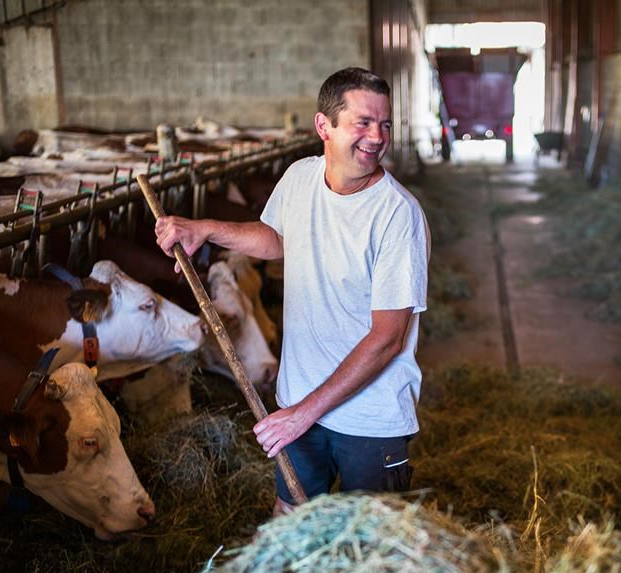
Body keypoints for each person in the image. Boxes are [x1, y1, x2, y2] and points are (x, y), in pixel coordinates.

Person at [155, 67, 429, 515]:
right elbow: (276, 238)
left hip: (369, 419)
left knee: (368, 547)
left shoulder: (398, 215)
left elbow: (388, 339)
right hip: (298, 401)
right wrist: (204, 230)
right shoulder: (301, 177)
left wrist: (303, 413)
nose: (377, 137)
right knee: (289, 523)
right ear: (324, 126)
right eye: (363, 122)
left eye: (384, 124)